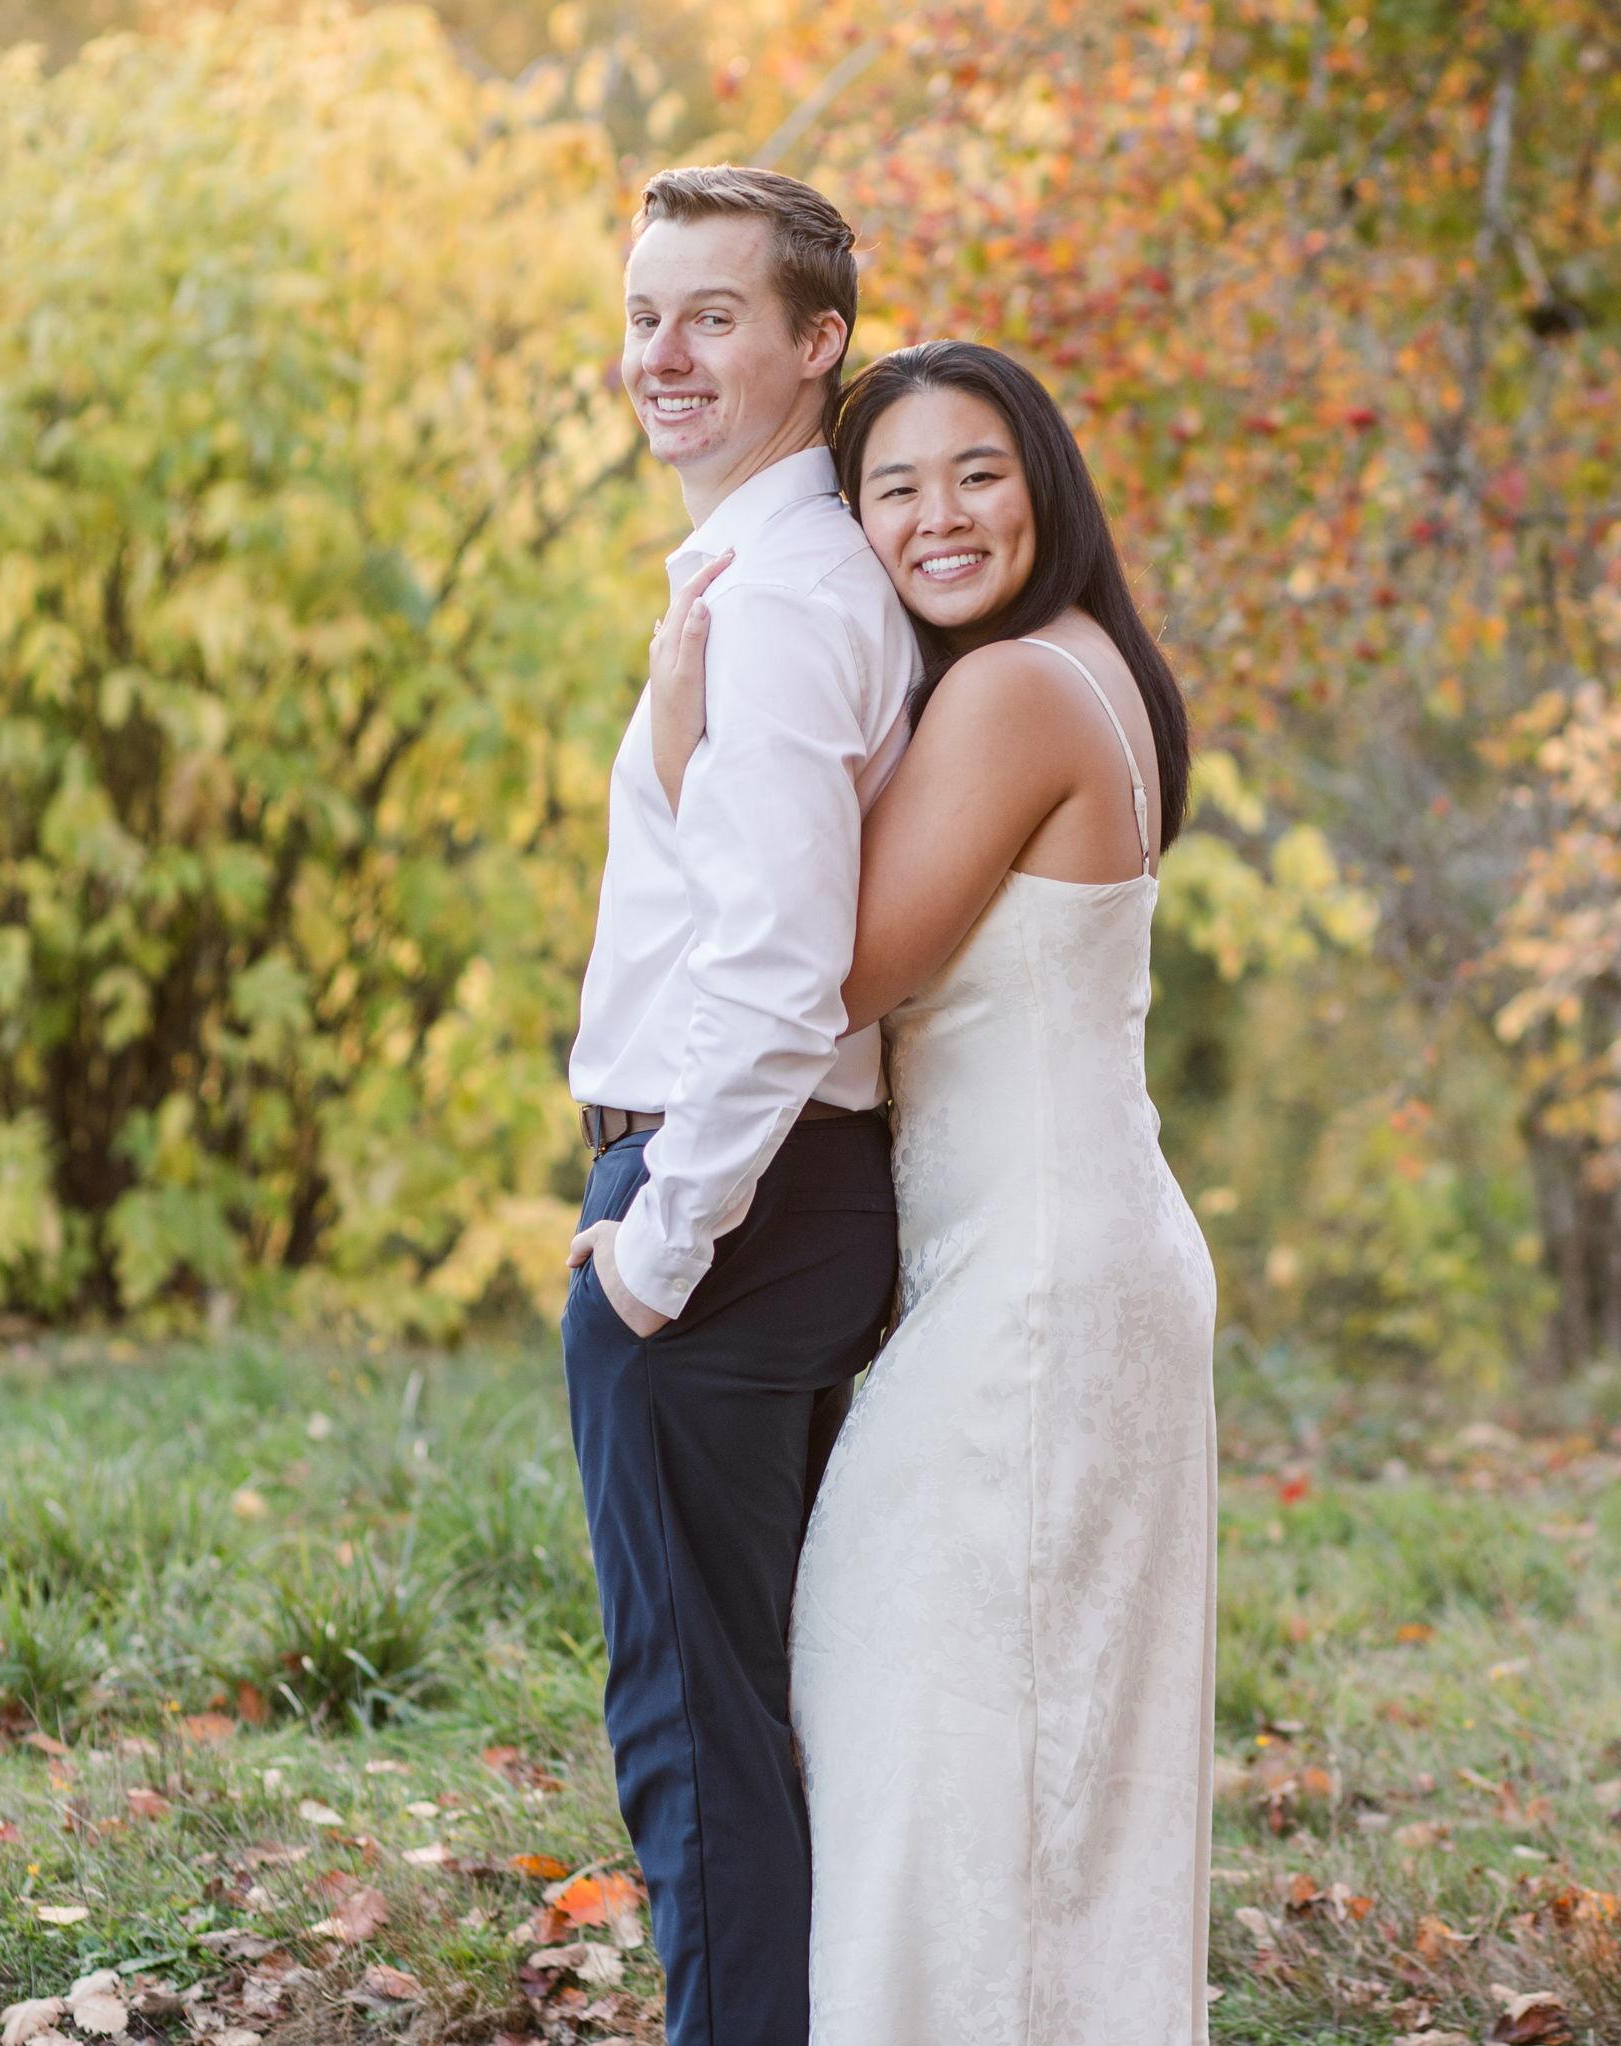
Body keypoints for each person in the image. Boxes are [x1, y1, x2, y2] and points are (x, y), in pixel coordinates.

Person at [648, 338, 1219, 2044]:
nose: (936, 516)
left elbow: (828, 969)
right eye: (891, 487)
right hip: (1066, 1255)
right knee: (1025, 1748)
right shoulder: (1080, 664)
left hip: (1038, 1287)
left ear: (1045, 482)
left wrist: (687, 748)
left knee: (919, 1714)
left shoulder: (1018, 689)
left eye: (976, 472)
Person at [561, 166, 917, 2046]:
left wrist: (659, 1242)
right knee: (746, 1720)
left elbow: (783, 974)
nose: (665, 355)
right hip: (772, 1195)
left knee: (694, 1733)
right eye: (645, 316)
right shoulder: (759, 581)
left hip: (728, 1212)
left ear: (816, 342)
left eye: (713, 315)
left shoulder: (782, 600)